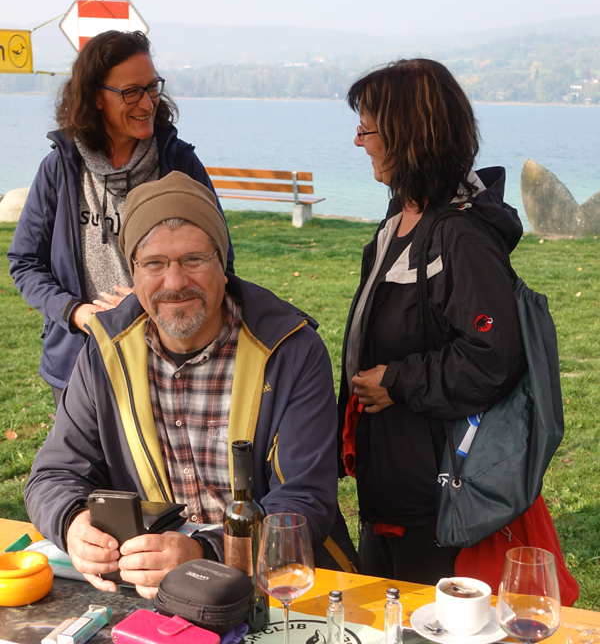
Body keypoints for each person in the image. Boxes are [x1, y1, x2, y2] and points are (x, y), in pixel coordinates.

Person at [24, 171, 358, 599]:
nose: (175, 281)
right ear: (133, 272)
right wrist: (72, 522)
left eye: (194, 260)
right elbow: (54, 473)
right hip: (151, 588)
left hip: (277, 586)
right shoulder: (106, 350)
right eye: (154, 264)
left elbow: (304, 502)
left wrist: (204, 552)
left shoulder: (291, 350)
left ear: (223, 265)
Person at [338, 58, 526, 585]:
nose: (358, 142)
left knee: (427, 630)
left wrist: (399, 381)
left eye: (366, 130)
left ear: (408, 137)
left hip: (438, 494)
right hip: (392, 482)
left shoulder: (461, 237)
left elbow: (494, 356)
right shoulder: (399, 221)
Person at [8, 30, 233, 408]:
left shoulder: (179, 164)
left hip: (165, 361)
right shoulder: (60, 167)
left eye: (152, 87)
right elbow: (25, 262)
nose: (147, 102)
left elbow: (220, 260)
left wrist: (153, 296)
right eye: (131, 92)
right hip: (78, 360)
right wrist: (74, 312)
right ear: (95, 97)